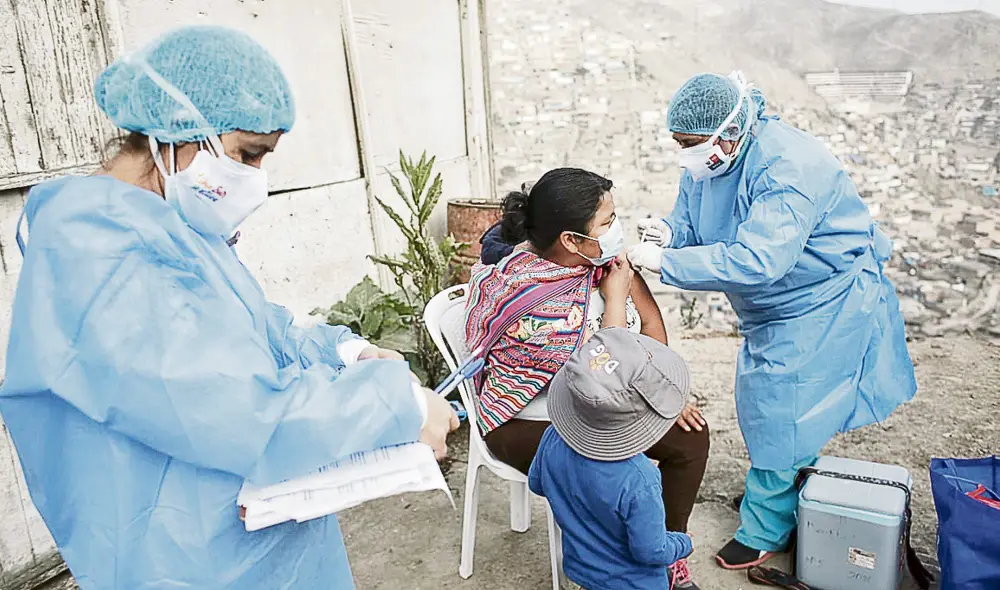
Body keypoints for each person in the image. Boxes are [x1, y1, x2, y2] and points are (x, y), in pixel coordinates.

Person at [0, 26, 458, 590]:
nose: (254, 180)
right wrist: (399, 407)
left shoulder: (170, 228)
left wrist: (346, 348)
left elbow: (250, 325)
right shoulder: (97, 255)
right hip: (186, 558)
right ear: (176, 133)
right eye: (246, 155)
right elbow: (230, 406)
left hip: (253, 532)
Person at [627, 72, 917, 570]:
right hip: (772, 304)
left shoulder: (789, 168)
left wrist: (665, 263)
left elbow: (759, 261)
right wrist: (668, 232)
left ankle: (766, 527)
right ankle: (780, 494)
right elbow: (694, 217)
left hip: (820, 300)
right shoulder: (714, 156)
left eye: (690, 144)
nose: (685, 155)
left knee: (783, 408)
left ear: (729, 132)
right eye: (678, 144)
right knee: (772, 402)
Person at [465, 168, 709, 589]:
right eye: (608, 223)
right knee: (617, 477)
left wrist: (664, 390)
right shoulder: (532, 298)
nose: (618, 231)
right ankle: (617, 571)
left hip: (604, 402)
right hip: (526, 418)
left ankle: (663, 550)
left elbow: (652, 328)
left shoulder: (601, 264)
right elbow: (597, 376)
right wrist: (615, 297)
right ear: (571, 241)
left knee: (690, 437)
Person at [529, 328, 695, 590]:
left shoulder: (552, 437)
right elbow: (651, 551)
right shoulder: (640, 479)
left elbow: (536, 483)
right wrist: (683, 543)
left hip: (582, 572)